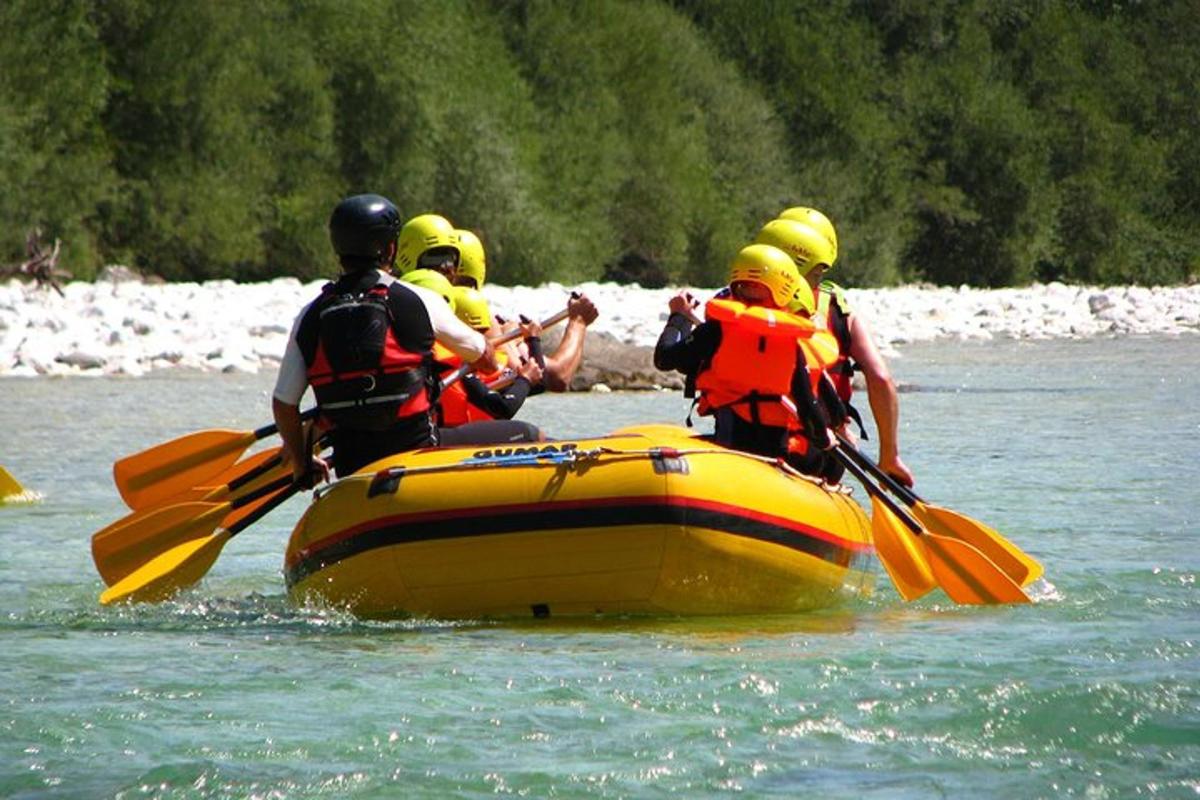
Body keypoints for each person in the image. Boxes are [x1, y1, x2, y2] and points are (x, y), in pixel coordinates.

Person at [272, 194, 497, 483]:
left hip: (353, 468)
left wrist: (302, 462)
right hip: (418, 457)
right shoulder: (418, 299)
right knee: (528, 433)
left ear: (338, 249)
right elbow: (486, 358)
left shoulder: (311, 315)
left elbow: (284, 405)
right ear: (391, 248)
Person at [654, 243, 840, 479]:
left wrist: (678, 319)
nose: (750, 293)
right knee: (831, 461)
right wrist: (824, 440)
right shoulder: (790, 344)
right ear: (784, 290)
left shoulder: (716, 330)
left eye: (756, 289)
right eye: (746, 287)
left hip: (730, 446)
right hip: (774, 455)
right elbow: (807, 405)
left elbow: (664, 358)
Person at [771, 207, 914, 487]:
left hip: (740, 438)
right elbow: (880, 378)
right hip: (817, 453)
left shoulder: (737, 295)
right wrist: (889, 456)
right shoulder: (837, 310)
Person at [434, 286, 545, 444]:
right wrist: (525, 379)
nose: (482, 339)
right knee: (532, 434)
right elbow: (503, 408)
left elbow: (538, 382)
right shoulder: (453, 363)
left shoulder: (429, 353)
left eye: (483, 331)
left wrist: (532, 340)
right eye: (477, 331)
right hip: (444, 438)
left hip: (453, 433)